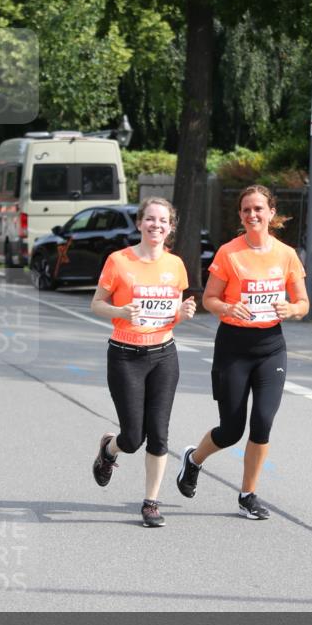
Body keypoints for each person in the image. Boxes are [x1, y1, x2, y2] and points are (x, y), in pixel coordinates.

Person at [177, 184, 308, 520]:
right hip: (233, 347)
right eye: (247, 210)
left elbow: (303, 303)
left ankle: (247, 494)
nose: (253, 215)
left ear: (271, 213)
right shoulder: (229, 253)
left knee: (263, 421)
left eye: (259, 209)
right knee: (231, 430)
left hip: (270, 348)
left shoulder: (286, 254)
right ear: (240, 215)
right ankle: (194, 460)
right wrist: (229, 309)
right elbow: (209, 300)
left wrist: (289, 309)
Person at [91, 197, 196, 527]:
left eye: (163, 221)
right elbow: (96, 304)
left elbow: (169, 317)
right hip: (125, 356)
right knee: (133, 438)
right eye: (150, 219)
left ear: (170, 227)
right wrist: (119, 312)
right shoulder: (119, 261)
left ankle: (151, 502)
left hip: (164, 355)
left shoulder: (176, 265)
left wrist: (183, 314)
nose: (156, 225)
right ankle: (109, 450)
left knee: (159, 434)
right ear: (139, 224)